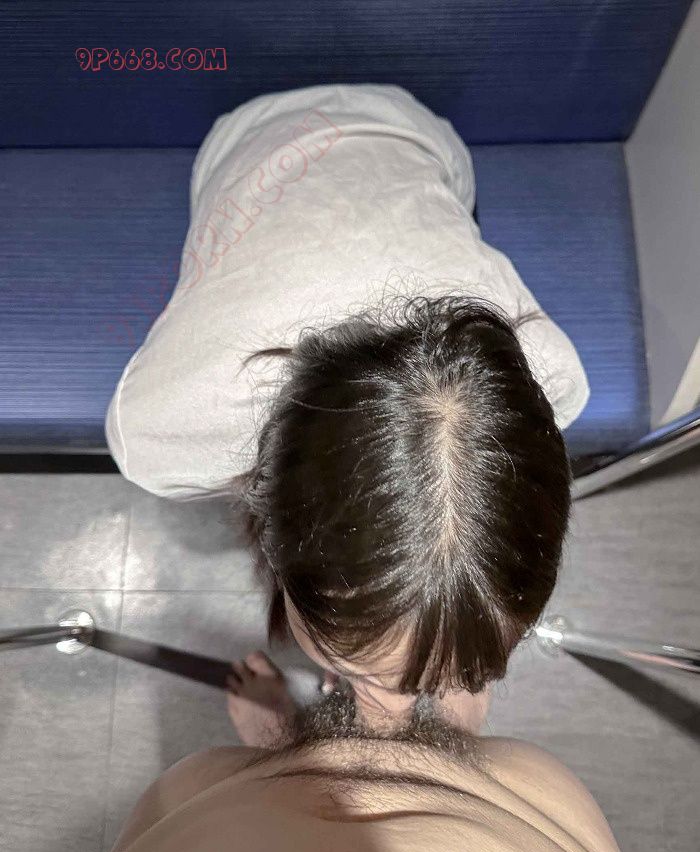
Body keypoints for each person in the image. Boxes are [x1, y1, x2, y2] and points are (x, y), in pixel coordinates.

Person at [106, 84, 590, 731]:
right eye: (363, 675)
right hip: (248, 145)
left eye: (466, 675)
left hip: (413, 131)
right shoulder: (166, 430)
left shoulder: (552, 375)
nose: (388, 709)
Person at [53, 664, 651, 852]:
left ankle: (282, 745)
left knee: (197, 784)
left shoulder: (197, 785)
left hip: (201, 833)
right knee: (519, 775)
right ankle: (450, 740)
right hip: (532, 846)